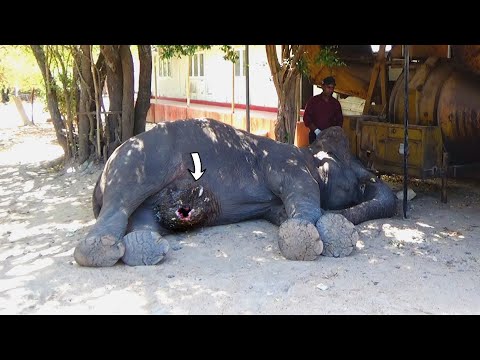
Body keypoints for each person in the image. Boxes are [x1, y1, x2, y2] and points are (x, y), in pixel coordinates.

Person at [303, 76, 344, 144]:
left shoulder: (336, 103)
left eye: (332, 88)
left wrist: (334, 133)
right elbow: (306, 118)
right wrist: (316, 131)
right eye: (328, 87)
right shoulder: (313, 101)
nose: (330, 90)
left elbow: (339, 120)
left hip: (330, 138)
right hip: (315, 136)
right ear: (323, 86)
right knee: (314, 154)